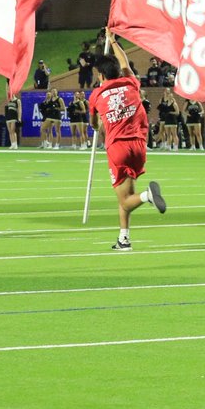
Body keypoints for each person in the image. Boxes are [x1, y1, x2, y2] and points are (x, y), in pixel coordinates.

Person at [88, 33, 167, 251]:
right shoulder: (130, 82)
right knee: (126, 195)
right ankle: (124, 239)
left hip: (118, 148)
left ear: (102, 74)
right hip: (139, 147)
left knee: (126, 200)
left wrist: (100, 124)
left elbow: (94, 124)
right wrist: (113, 40)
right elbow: (124, 62)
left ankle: (147, 196)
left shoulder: (96, 95)